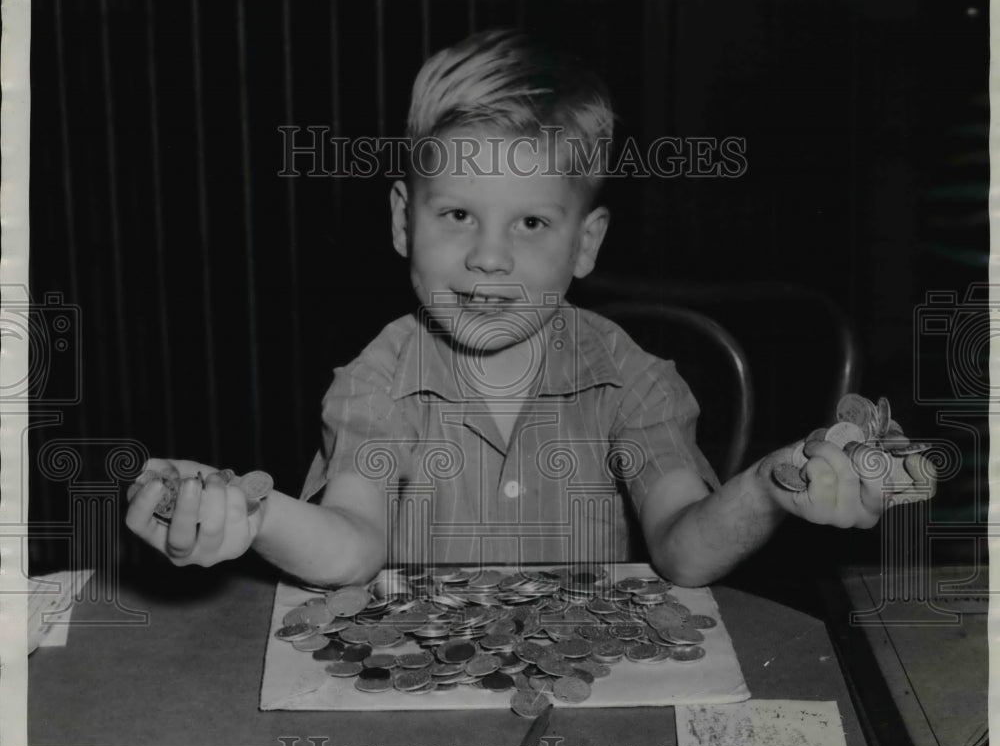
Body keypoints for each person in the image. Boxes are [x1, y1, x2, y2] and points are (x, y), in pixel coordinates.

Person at [125, 29, 934, 588]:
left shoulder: (631, 376)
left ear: (586, 243)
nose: (489, 255)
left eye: (533, 223)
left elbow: (685, 550)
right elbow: (350, 544)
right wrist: (252, 515)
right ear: (405, 221)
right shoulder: (380, 376)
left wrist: (767, 485)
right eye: (457, 216)